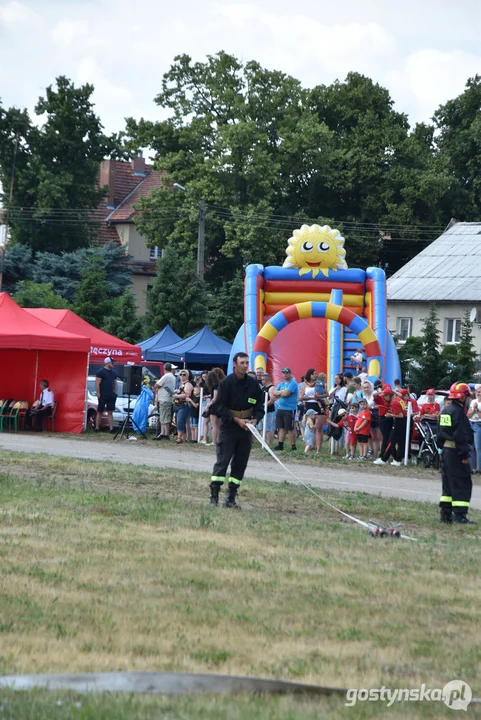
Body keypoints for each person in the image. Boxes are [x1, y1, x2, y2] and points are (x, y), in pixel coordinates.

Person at [208, 352, 264, 508]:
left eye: (247, 363)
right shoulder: (226, 383)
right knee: (223, 461)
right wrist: (236, 420)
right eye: (242, 363)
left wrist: (255, 419)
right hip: (230, 427)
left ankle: (231, 498)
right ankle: (214, 496)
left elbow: (260, 406)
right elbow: (218, 407)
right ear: (234, 364)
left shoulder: (253, 384)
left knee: (240, 463)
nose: (245, 366)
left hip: (246, 428)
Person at [438, 382, 476, 524]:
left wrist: (441, 450)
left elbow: (440, 433)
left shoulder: (445, 411)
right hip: (457, 452)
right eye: (467, 395)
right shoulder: (459, 413)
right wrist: (465, 455)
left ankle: (446, 514)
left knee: (448, 483)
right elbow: (461, 435)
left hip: (447, 451)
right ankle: (460, 515)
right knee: (462, 482)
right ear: (462, 397)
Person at [299, 368, 325, 454]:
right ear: (309, 375)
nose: (316, 375)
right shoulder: (304, 385)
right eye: (314, 373)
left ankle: (318, 450)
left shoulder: (320, 384)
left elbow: (326, 394)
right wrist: (311, 397)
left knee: (318, 429)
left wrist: (319, 396)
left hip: (318, 405)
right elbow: (300, 397)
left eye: (316, 373)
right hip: (309, 406)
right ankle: (308, 448)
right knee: (308, 428)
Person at [273, 368, 299, 451]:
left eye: (287, 373)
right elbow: (274, 392)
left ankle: (293, 446)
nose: (285, 374)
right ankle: (280, 445)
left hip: (289, 409)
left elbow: (287, 394)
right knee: (281, 427)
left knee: (290, 428)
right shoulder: (282, 383)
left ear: (290, 374)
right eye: (283, 373)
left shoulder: (293, 383)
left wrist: (280, 393)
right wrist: (282, 392)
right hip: (280, 408)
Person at [153, 362, 176, 440]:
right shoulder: (173, 377)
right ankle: (162, 433)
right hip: (169, 398)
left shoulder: (166, 376)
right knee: (164, 416)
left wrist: (156, 385)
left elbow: (157, 385)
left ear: (164, 368)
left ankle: (165, 434)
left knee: (164, 417)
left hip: (164, 398)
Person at [95, 357, 118, 433]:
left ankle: (111, 428)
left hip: (111, 395)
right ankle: (97, 427)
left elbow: (115, 382)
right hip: (103, 395)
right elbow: (97, 383)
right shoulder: (100, 372)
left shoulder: (113, 372)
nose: (113, 364)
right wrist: (98, 394)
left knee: (110, 412)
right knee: (100, 411)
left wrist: (116, 392)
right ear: (107, 363)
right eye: (112, 362)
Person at [173, 370, 193, 444]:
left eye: (184, 374)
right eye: (180, 374)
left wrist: (177, 396)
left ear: (187, 376)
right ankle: (183, 438)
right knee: (179, 422)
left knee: (180, 420)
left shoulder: (188, 384)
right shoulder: (179, 384)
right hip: (177, 405)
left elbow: (187, 395)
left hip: (184, 405)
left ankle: (179, 437)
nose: (182, 376)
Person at [258, 372, 276, 446]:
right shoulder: (263, 387)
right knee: (261, 427)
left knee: (268, 428)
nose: (261, 381)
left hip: (268, 411)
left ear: (266, 380)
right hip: (262, 410)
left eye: (263, 380)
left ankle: (269, 444)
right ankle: (263, 443)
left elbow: (273, 399)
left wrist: (265, 404)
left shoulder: (271, 388)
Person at [467, 385, 481, 474]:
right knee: (470, 447)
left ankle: (479, 468)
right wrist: (473, 410)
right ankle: (471, 468)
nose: (479, 394)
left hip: (478, 425)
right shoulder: (473, 401)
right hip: (470, 424)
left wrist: (476, 409)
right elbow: (468, 415)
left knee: (478, 447)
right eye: (478, 392)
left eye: (480, 392)